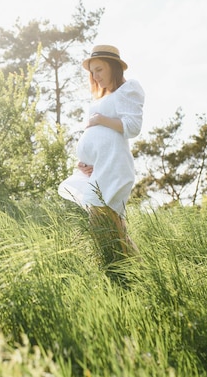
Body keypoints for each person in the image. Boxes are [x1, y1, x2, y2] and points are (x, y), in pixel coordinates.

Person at [58, 44, 144, 263]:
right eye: (92, 72)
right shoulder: (103, 99)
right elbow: (102, 140)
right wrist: (86, 162)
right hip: (100, 169)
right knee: (104, 228)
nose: (95, 76)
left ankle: (136, 273)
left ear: (113, 68)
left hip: (114, 169)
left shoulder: (128, 89)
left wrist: (99, 120)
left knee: (110, 227)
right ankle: (125, 272)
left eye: (100, 70)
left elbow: (132, 127)